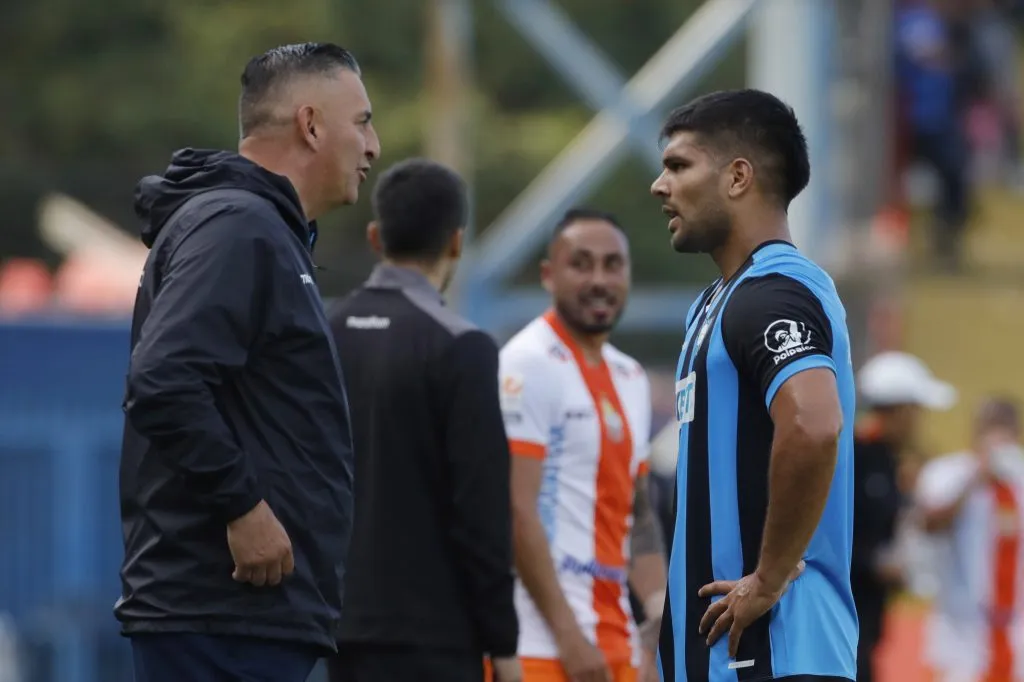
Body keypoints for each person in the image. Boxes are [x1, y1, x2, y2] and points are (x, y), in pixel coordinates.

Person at [118, 42, 380, 682]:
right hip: (221, 614)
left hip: (244, 615)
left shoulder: (264, 231)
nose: (374, 146)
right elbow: (163, 379)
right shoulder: (239, 226)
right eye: (364, 122)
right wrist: (243, 507)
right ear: (311, 125)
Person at [650, 89, 857, 682]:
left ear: (738, 177)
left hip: (771, 653)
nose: (659, 186)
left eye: (678, 165)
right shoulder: (718, 302)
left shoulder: (772, 292)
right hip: (721, 659)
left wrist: (767, 578)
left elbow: (815, 425)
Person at [324, 158, 521, 682]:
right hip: (434, 633)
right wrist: (501, 640)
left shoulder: (320, 332)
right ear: (456, 242)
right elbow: (482, 510)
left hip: (332, 624)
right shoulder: (462, 347)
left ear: (374, 236)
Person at [498, 207, 668, 682]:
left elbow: (638, 513)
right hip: (541, 645)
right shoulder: (525, 364)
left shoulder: (631, 377)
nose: (599, 279)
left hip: (617, 643)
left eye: (613, 264)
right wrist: (569, 636)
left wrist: (658, 616)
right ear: (549, 275)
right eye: (581, 263)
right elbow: (515, 508)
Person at [851, 351, 957, 682]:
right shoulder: (851, 458)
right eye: (916, 411)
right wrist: (873, 563)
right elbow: (821, 536)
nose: (919, 420)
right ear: (898, 410)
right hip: (843, 618)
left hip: (869, 617)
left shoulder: (888, 460)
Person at [915, 397, 1024, 682]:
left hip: (1015, 624)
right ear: (977, 430)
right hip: (960, 623)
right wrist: (977, 477)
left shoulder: (1019, 476)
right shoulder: (948, 473)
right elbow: (930, 523)